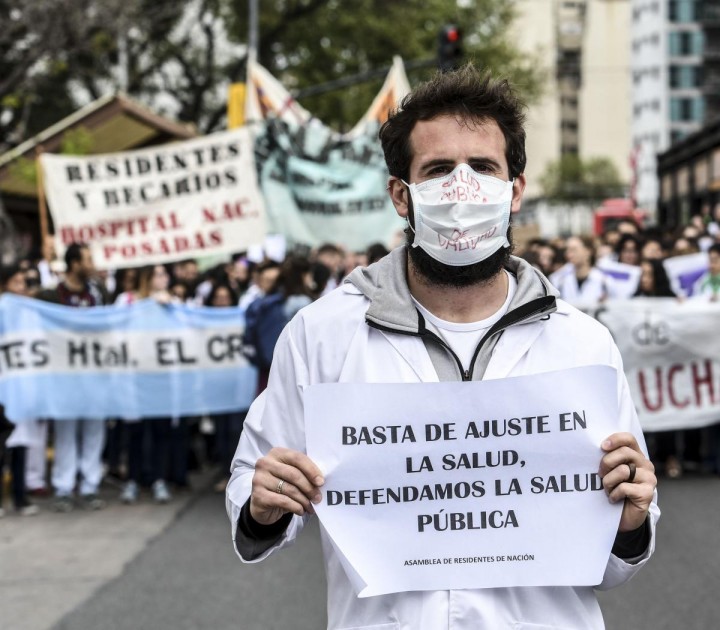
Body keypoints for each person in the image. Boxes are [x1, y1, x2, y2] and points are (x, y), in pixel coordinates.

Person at [226, 66, 658, 629]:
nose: (461, 187)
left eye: (482, 167)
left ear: (516, 189)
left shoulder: (582, 342)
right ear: (400, 195)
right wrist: (262, 505)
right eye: (437, 169)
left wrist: (629, 523)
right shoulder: (321, 335)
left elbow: (614, 559)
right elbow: (252, 493)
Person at [37, 243, 109, 512]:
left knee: (93, 430)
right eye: (88, 259)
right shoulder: (51, 295)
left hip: (94, 374)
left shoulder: (98, 292)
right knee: (66, 432)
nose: (92, 264)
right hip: (64, 377)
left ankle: (90, 485)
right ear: (74, 263)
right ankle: (64, 487)